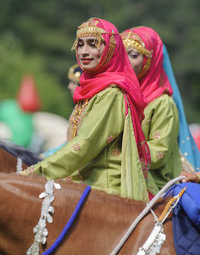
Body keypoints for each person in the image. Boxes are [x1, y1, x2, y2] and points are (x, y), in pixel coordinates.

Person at [21, 18, 158, 202]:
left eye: (93, 44)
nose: (84, 51)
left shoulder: (112, 93)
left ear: (110, 50)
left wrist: (31, 173)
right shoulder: (91, 90)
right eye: (80, 44)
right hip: (81, 183)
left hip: (104, 191)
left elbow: (83, 146)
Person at [121, 27, 182, 190]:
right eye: (121, 55)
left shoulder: (162, 104)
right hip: (118, 174)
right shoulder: (117, 95)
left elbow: (158, 153)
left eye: (133, 55)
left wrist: (116, 155)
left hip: (153, 184)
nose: (125, 61)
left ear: (150, 60)